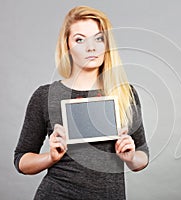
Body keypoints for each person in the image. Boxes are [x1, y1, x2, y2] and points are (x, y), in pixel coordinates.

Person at [14, 5, 149, 200]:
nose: (91, 47)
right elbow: (22, 159)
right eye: (79, 39)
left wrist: (131, 157)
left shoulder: (125, 93)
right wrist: (51, 157)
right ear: (67, 46)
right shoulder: (45, 96)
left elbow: (142, 155)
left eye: (99, 38)